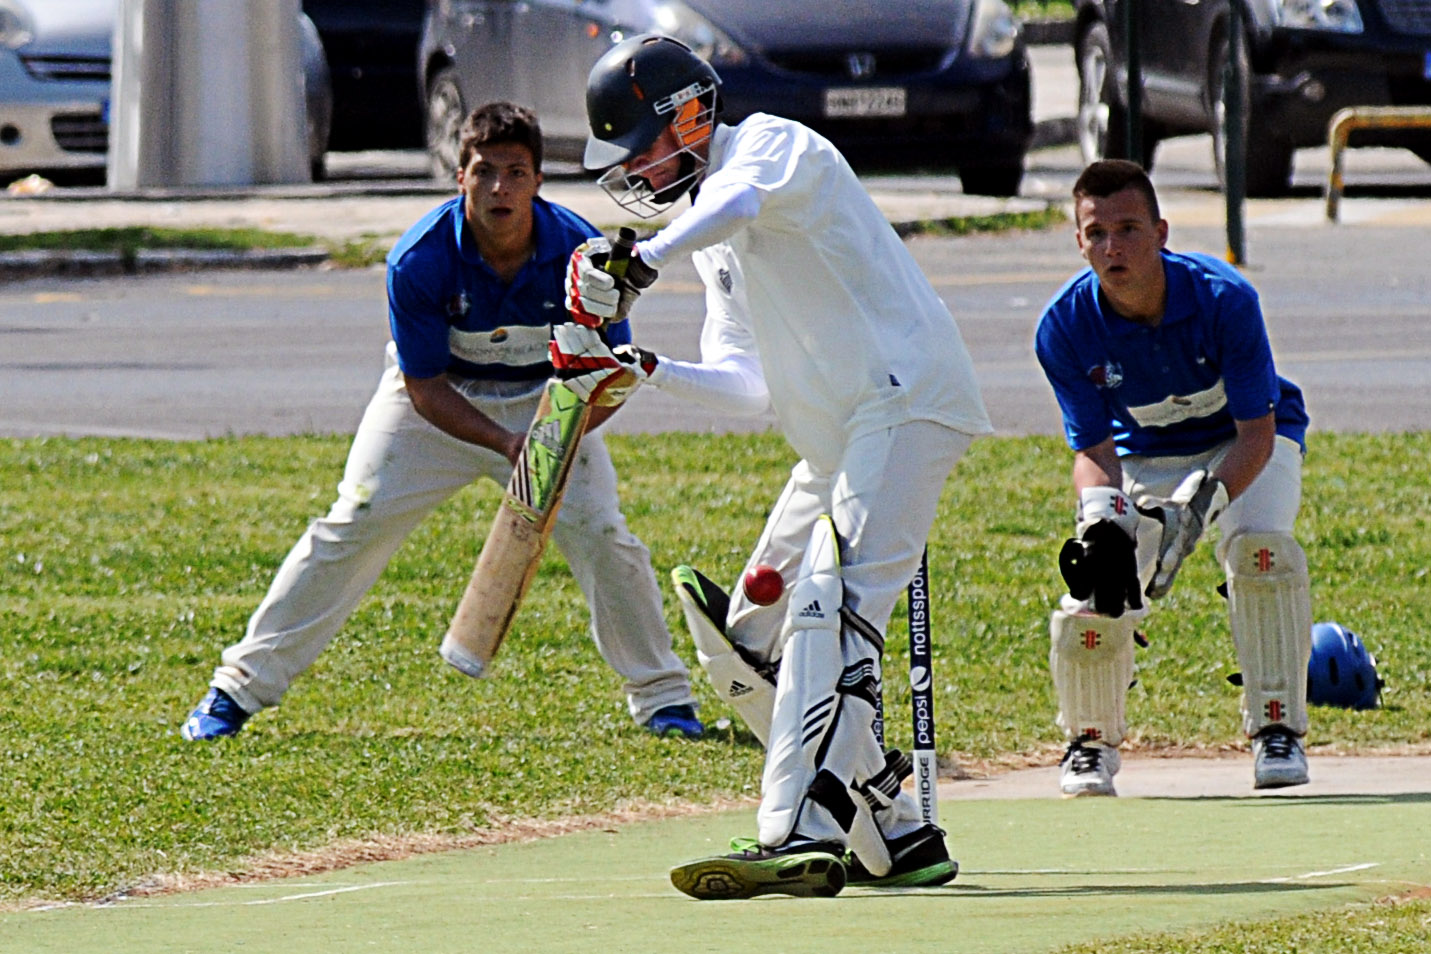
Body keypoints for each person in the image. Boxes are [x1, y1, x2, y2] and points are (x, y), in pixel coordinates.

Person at [562, 33, 993, 900]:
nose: (635, 176)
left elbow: (736, 202)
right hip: (832, 443)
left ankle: (797, 831)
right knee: (750, 638)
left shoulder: (772, 147)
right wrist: (644, 367)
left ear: (689, 115)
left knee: (829, 617)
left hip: (906, 403)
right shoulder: (710, 237)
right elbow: (747, 387)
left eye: (639, 151)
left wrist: (637, 264)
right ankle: (894, 832)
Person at [180, 102, 703, 743]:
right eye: (484, 172)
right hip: (439, 405)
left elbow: (609, 371)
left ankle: (664, 702)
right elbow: (423, 387)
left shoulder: (579, 251)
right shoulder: (419, 260)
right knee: (357, 519)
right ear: (460, 178)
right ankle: (234, 693)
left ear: (538, 180)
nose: (499, 189)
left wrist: (551, 440)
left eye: (515, 173)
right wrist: (502, 443)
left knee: (603, 534)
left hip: (550, 406)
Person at [1033, 159, 1312, 798]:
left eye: (1128, 229)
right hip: (1145, 460)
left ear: (1161, 232)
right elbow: (1093, 451)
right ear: (1079, 241)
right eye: (1096, 233)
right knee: (1097, 587)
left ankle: (1277, 732)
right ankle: (1089, 743)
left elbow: (1257, 435)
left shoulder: (1224, 299)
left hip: (1244, 445)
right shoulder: (1064, 328)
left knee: (1260, 553)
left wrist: (1200, 505)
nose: (1112, 247)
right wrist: (1101, 516)